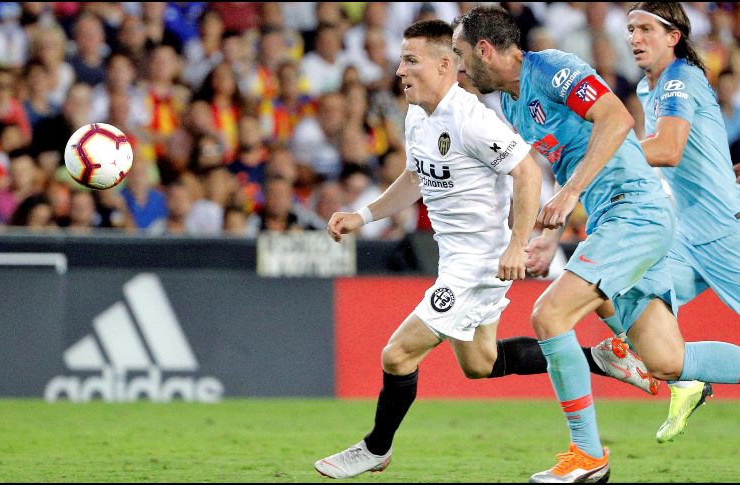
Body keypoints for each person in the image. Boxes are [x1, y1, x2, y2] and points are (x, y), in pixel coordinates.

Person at [313, 19, 654, 481]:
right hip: (456, 258)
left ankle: (375, 448)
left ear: (445, 65)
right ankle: (602, 358)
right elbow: (416, 176)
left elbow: (527, 172)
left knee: (397, 355)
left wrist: (518, 243)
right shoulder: (418, 114)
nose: (400, 70)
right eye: (401, 60)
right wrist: (366, 215)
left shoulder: (471, 118)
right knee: (480, 364)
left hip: (477, 265)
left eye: (410, 61)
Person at [451, 5, 740, 483]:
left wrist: (569, 195)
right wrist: (548, 236)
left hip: (636, 212)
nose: (459, 68)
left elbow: (615, 120)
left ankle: (587, 455)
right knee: (666, 360)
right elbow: (565, 166)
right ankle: (630, 377)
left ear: (485, 50)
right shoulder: (511, 103)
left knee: (550, 315)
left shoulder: (553, 68)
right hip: (615, 217)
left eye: (460, 55)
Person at [621, 3, 739, 444]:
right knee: (627, 296)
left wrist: (602, 155)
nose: (634, 37)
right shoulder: (648, 86)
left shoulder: (680, 78)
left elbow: (668, 148)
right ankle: (685, 383)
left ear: (673, 36)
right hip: (687, 235)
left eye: (645, 29)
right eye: (631, 29)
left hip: (726, 232)